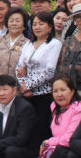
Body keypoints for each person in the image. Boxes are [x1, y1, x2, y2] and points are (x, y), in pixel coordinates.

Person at [16, 10, 64, 141]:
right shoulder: (28, 44)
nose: (37, 27)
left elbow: (50, 71)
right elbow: (19, 68)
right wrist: (23, 86)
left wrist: (29, 85)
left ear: (50, 26)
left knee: (41, 129)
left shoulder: (54, 44)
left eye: (41, 24)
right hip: (26, 94)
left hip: (44, 94)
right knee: (26, 128)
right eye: (34, 24)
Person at [0, 7, 29, 104]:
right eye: (11, 20)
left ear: (24, 25)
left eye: (18, 21)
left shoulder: (28, 44)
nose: (14, 23)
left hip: (17, 92)